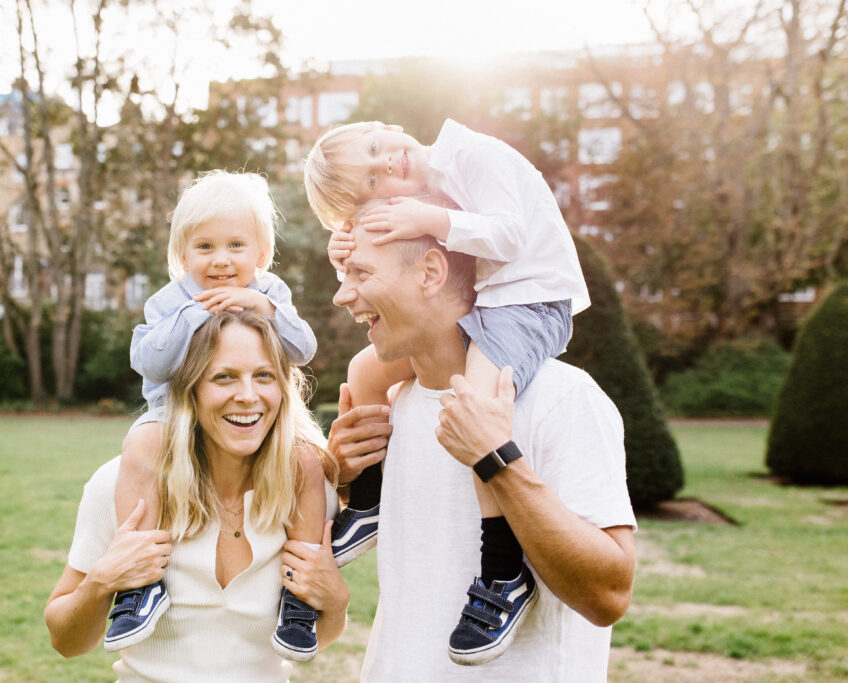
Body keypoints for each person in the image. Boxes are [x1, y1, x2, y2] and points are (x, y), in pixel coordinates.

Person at [303, 119, 590, 663]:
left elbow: (509, 236)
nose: (385, 163)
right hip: (488, 302)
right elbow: (397, 256)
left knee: (475, 408)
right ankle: (366, 504)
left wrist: (427, 217)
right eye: (370, 181)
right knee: (365, 372)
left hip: (530, 301)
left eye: (374, 147)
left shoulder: (475, 156)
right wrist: (345, 244)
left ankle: (504, 570)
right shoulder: (422, 193)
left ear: (387, 127)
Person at [326, 223, 636, 680]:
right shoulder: (397, 405)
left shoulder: (563, 397)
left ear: (430, 273)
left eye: (362, 273)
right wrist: (350, 482)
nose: (342, 295)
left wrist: (496, 459)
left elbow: (608, 596)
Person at [45, 311, 350, 682]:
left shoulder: (306, 493)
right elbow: (65, 641)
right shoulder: (119, 485)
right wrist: (100, 582)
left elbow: (315, 639)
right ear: (191, 390)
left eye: (264, 376)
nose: (248, 396)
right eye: (224, 377)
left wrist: (336, 604)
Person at [111, 171, 326, 659]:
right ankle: (140, 583)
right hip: (175, 417)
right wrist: (193, 315)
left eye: (235, 245)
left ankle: (298, 595)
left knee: (310, 462)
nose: (221, 260)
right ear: (183, 256)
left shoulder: (270, 292)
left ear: (261, 254)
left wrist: (266, 308)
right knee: (141, 442)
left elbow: (304, 348)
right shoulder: (169, 302)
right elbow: (148, 361)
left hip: (257, 421)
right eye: (205, 247)